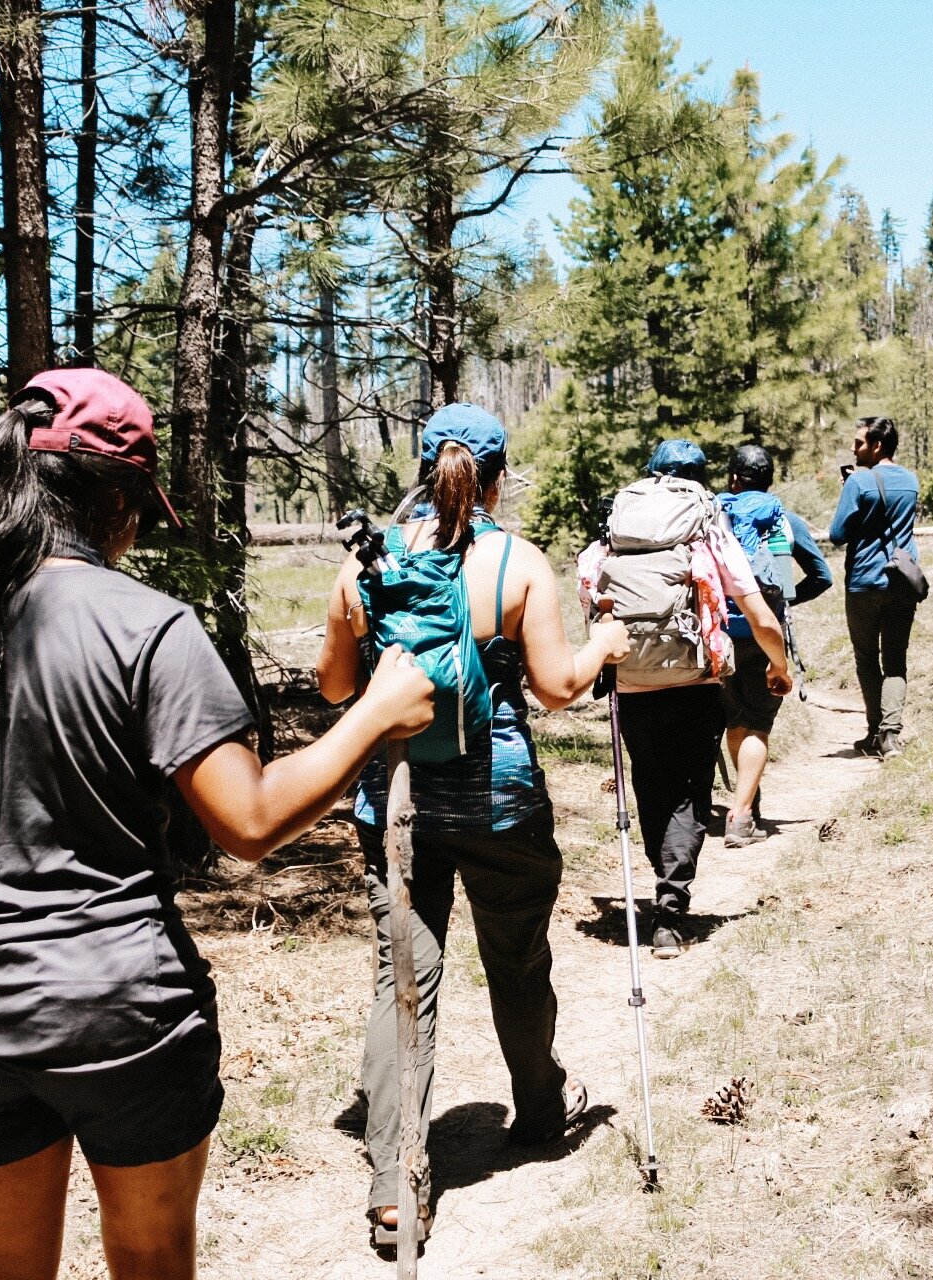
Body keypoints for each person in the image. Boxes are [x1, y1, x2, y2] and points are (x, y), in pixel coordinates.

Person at [0, 368, 435, 1280]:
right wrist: (375, 714)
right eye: (141, 504)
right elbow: (250, 821)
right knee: (150, 1261)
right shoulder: (149, 626)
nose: (141, 527)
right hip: (121, 1012)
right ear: (115, 498)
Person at [317, 403, 632, 1250]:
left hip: (400, 805)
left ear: (426, 470)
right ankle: (537, 1108)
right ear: (494, 477)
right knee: (517, 959)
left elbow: (336, 688)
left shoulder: (367, 568)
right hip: (500, 801)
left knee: (401, 980)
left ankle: (393, 1185)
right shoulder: (518, 563)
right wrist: (604, 644)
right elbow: (559, 687)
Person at [580, 439, 792, 959]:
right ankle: (671, 907)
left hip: (630, 681)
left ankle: (663, 874)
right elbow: (758, 610)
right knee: (692, 787)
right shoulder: (706, 526)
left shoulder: (619, 523)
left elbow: (589, 588)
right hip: (695, 681)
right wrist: (779, 665)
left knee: (651, 782)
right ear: (699, 479)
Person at [716, 444, 832, 845]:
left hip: (724, 634)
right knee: (759, 725)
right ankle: (743, 816)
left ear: (734, 478)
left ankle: (746, 801)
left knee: (736, 720)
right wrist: (785, 601)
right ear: (770, 481)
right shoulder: (786, 520)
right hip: (769, 636)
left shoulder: (719, 516)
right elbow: (822, 576)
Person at [828, 416, 921, 758]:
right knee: (895, 660)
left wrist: (849, 492)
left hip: (865, 581)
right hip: (902, 580)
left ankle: (874, 732)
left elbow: (838, 534)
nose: (854, 449)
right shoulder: (910, 480)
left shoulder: (859, 482)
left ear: (877, 445)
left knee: (867, 658)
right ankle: (891, 735)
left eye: (859, 443)